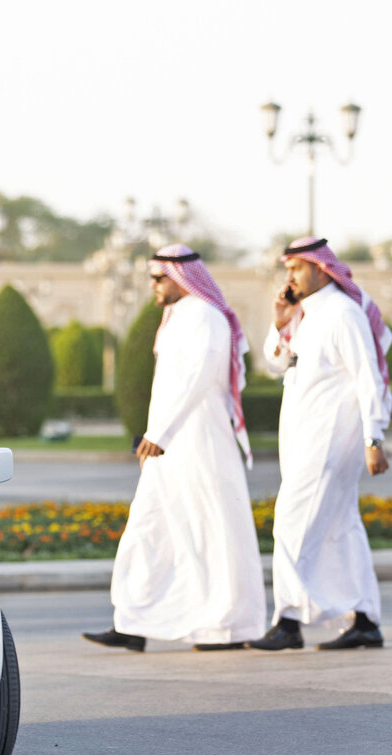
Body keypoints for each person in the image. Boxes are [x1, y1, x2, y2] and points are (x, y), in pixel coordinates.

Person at [83, 244, 267, 652]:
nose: (153, 286)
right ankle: (133, 623)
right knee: (147, 527)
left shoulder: (206, 316)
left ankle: (226, 628)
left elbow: (199, 378)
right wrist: (158, 434)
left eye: (159, 277)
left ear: (181, 277)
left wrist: (161, 433)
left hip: (200, 439)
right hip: (166, 444)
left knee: (210, 528)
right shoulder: (176, 317)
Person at [248, 236, 392, 651]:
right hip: (306, 437)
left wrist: (373, 437)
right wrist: (280, 321)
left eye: (295, 268)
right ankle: (366, 619)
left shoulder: (343, 314)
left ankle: (288, 621)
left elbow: (370, 377)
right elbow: (279, 363)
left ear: (319, 268)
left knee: (290, 521)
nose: (289, 277)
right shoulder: (308, 316)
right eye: (287, 269)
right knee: (342, 527)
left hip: (331, 439)